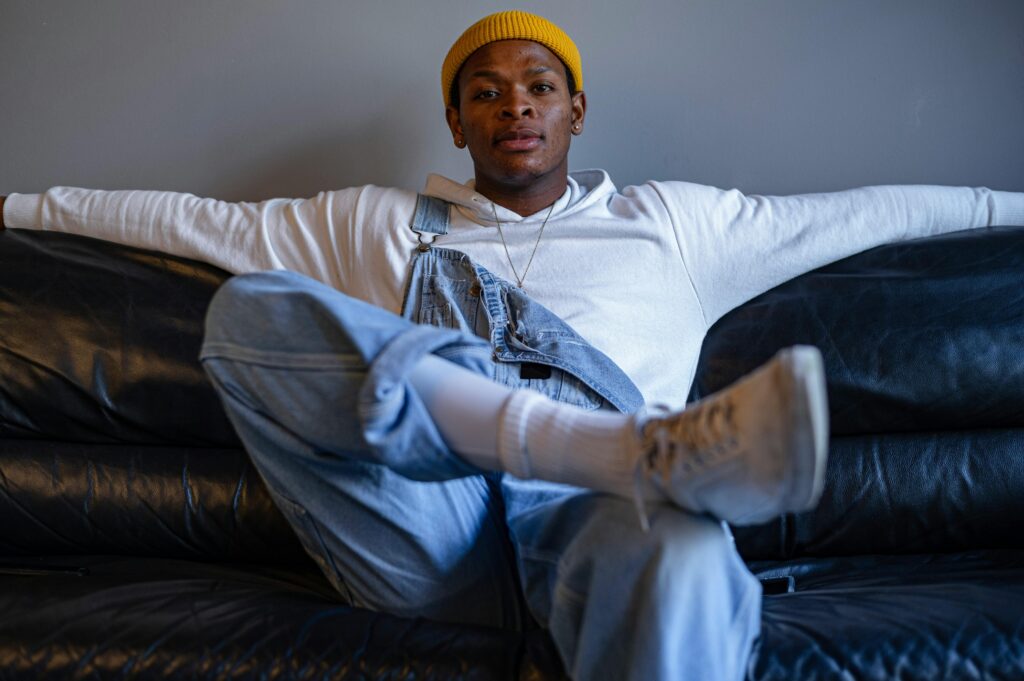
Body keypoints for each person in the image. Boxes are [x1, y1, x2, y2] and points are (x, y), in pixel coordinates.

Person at [1, 10, 1022, 680]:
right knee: (250, 315)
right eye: (484, 91)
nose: (514, 104)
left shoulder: (671, 223)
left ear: (576, 110)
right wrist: (16, 203)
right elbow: (170, 219)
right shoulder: (373, 224)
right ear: (457, 122)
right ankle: (628, 448)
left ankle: (630, 461)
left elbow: (878, 211)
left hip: (602, 520)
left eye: (538, 84)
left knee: (681, 561)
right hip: (431, 530)